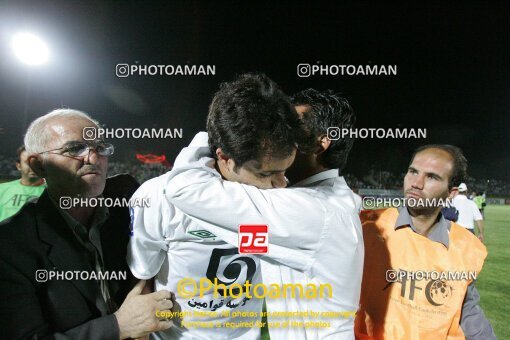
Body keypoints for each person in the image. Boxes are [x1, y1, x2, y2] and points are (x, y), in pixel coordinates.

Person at [163, 89, 363, 339]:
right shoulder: (326, 200)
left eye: (291, 126)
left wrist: (223, 134)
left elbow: (185, 188)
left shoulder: (309, 210)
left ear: (320, 143)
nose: (277, 132)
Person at [127, 73, 309, 339]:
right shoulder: (157, 197)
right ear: (224, 158)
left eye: (285, 171)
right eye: (265, 174)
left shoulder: (283, 195)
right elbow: (143, 274)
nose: (280, 184)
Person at [0, 109, 174, 339]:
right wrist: (119, 326)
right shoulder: (10, 244)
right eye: (74, 149)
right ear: (38, 165)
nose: (93, 158)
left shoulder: (129, 201)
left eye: (100, 148)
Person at [355, 145, 495, 339]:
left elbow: (468, 313)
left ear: (451, 193)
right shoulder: (367, 227)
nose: (416, 183)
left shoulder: (465, 247)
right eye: (413, 172)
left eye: (432, 177)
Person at [0, 145, 46, 221]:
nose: (32, 166)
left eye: (36, 162)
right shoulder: (1, 190)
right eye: (27, 163)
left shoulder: (55, 191)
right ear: (19, 166)